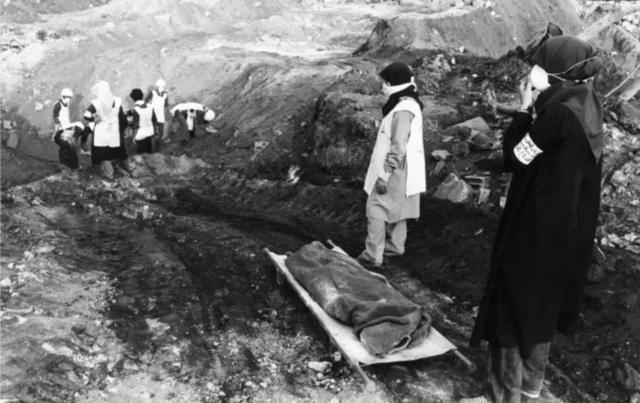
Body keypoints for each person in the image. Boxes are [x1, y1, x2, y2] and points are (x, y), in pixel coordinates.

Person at [460, 36, 605, 403]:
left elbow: (516, 157)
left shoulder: (557, 115)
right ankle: (531, 387)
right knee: (541, 304)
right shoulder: (586, 105)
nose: (531, 71)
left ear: (557, 73)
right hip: (566, 227)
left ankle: (506, 393)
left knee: (510, 302)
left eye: (538, 65)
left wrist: (524, 109)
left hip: (536, 224)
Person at [357, 62, 426, 267]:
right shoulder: (410, 103)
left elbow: (398, 147)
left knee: (376, 207)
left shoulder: (402, 110)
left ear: (394, 84)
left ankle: (372, 255)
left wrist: (384, 174)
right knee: (400, 206)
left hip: (396, 169)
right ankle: (395, 246)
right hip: (407, 168)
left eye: (385, 84)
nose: (383, 88)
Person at [83, 81, 128, 179]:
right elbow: (123, 119)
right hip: (114, 130)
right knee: (117, 150)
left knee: (103, 154)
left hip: (101, 131)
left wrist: (93, 119)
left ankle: (109, 174)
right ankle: (126, 168)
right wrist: (123, 130)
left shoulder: (96, 103)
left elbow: (86, 115)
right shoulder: (117, 101)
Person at [130, 88, 157, 154]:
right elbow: (154, 120)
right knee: (149, 152)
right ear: (142, 96)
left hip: (140, 135)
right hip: (150, 132)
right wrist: (155, 131)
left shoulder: (136, 109)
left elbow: (136, 126)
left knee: (142, 155)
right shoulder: (150, 106)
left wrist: (133, 138)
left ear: (133, 98)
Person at [146, 79, 169, 144]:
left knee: (161, 131)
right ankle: (152, 145)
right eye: (161, 87)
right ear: (157, 87)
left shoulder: (165, 94)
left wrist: (168, 111)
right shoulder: (152, 93)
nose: (163, 88)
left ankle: (159, 144)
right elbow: (146, 101)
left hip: (161, 115)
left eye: (163, 87)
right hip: (153, 114)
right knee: (153, 131)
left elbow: (166, 105)